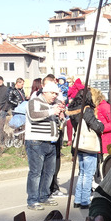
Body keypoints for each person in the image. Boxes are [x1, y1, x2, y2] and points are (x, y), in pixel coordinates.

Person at [24, 81, 65, 210]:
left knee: (49, 172)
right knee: (36, 172)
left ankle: (44, 196)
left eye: (56, 93)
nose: (54, 96)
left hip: (51, 142)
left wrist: (61, 116)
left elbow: (56, 122)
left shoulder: (53, 105)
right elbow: (33, 116)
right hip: (36, 142)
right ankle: (32, 200)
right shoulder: (34, 102)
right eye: (52, 93)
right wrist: (51, 111)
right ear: (45, 92)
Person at [69, 88, 104, 209]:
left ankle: (78, 199)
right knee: (88, 174)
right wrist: (101, 124)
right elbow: (96, 125)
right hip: (89, 146)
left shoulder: (73, 110)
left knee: (82, 173)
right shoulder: (86, 110)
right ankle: (84, 201)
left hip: (79, 145)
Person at [91, 87, 111, 185]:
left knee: (104, 164)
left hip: (105, 139)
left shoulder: (104, 106)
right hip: (99, 139)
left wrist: (101, 128)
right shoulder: (97, 107)